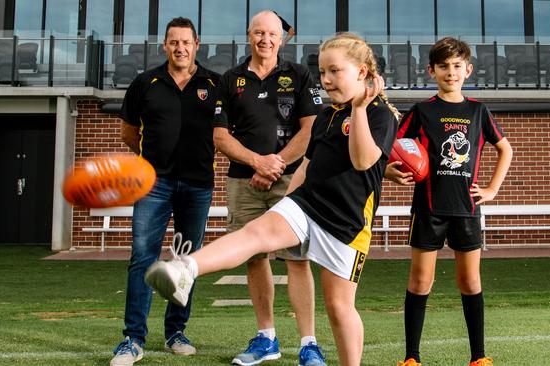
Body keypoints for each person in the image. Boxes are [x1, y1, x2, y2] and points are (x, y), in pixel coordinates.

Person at [144, 32, 400, 366]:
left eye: (334, 71)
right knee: (254, 234)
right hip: (308, 204)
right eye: (322, 72)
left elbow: (363, 161)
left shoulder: (380, 113)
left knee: (339, 307)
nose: (325, 79)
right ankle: (184, 269)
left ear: (362, 73)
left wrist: (361, 109)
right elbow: (307, 167)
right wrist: (286, 205)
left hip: (347, 223)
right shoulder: (326, 116)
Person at [386, 37, 513, 366]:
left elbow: (505, 149)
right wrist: (389, 172)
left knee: (470, 281)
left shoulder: (477, 110)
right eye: (443, 66)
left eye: (457, 66)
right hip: (428, 208)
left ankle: (479, 357)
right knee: (419, 281)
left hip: (467, 209)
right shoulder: (422, 111)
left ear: (468, 70)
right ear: (431, 71)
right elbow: (393, 147)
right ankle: (411, 357)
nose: (450, 72)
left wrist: (492, 190)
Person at [211, 10, 324, 366]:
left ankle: (308, 343)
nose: (265, 39)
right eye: (258, 33)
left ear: (281, 38)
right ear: (249, 35)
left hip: (291, 181)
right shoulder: (230, 80)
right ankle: (267, 338)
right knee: (255, 258)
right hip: (243, 182)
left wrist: (273, 165)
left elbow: (310, 130)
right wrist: (256, 162)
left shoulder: (299, 75)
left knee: (297, 259)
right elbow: (219, 136)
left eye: (272, 33)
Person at [110, 17, 221, 366]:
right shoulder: (146, 83)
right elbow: (129, 133)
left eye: (186, 42)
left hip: (199, 184)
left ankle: (176, 332)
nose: (180, 48)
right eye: (174, 42)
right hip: (154, 184)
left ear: (196, 44)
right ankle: (133, 339)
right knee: (143, 258)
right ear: (165, 45)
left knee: (186, 262)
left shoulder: (214, 84)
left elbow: (226, 132)